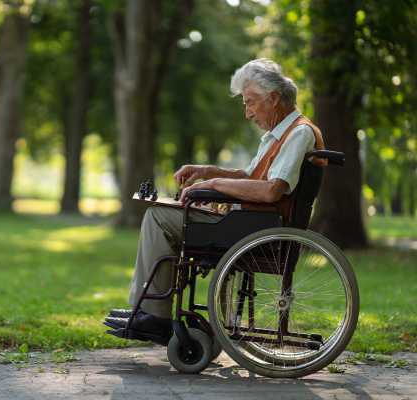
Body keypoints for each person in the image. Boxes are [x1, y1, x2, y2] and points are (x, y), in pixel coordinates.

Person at [103, 58, 326, 343]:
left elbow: (272, 191)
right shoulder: (281, 133)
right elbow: (250, 175)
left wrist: (215, 183)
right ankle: (146, 310)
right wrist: (206, 171)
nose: (247, 113)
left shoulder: (298, 133)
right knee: (165, 214)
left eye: (250, 103)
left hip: (257, 228)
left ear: (273, 98)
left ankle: (153, 316)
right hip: (253, 222)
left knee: (158, 217)